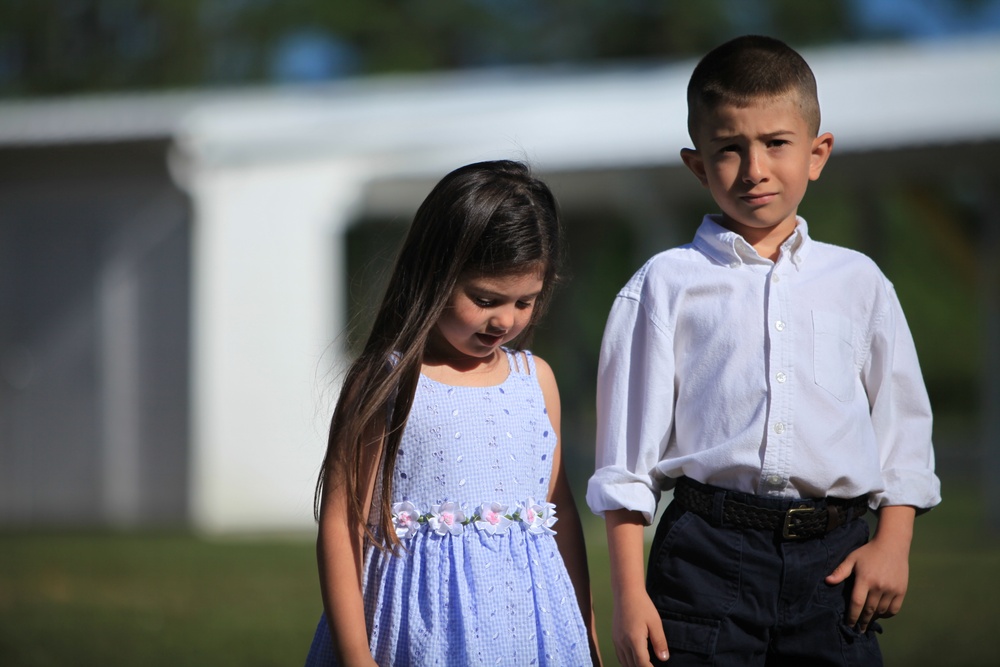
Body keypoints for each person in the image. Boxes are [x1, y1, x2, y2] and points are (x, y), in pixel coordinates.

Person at [586, 35, 941, 667]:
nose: (754, 169)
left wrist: (894, 544)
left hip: (836, 571)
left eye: (776, 143)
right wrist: (629, 595)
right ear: (698, 166)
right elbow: (625, 464)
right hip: (702, 564)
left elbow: (902, 428)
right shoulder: (662, 286)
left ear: (817, 153)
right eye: (729, 149)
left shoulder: (859, 283)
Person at [304, 159, 600, 666]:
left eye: (525, 302)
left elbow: (560, 514)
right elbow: (343, 522)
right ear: (435, 275)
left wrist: (584, 632)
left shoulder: (536, 381)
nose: (504, 321)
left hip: (530, 632)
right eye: (485, 299)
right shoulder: (388, 382)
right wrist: (355, 653)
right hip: (420, 635)